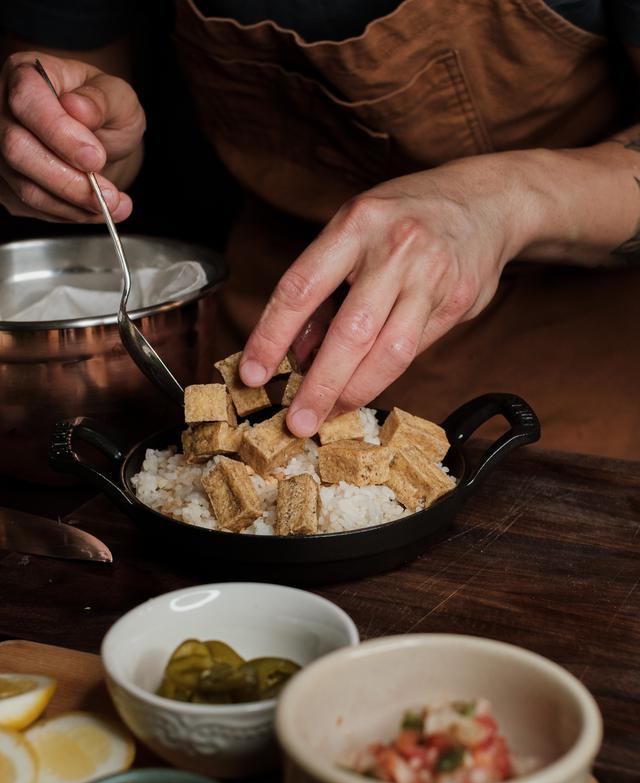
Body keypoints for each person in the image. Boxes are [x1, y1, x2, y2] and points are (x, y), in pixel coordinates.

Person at [1, 1, 640, 456]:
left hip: (562, 366)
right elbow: (84, 95)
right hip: (283, 314)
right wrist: (70, 145)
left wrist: (501, 205)